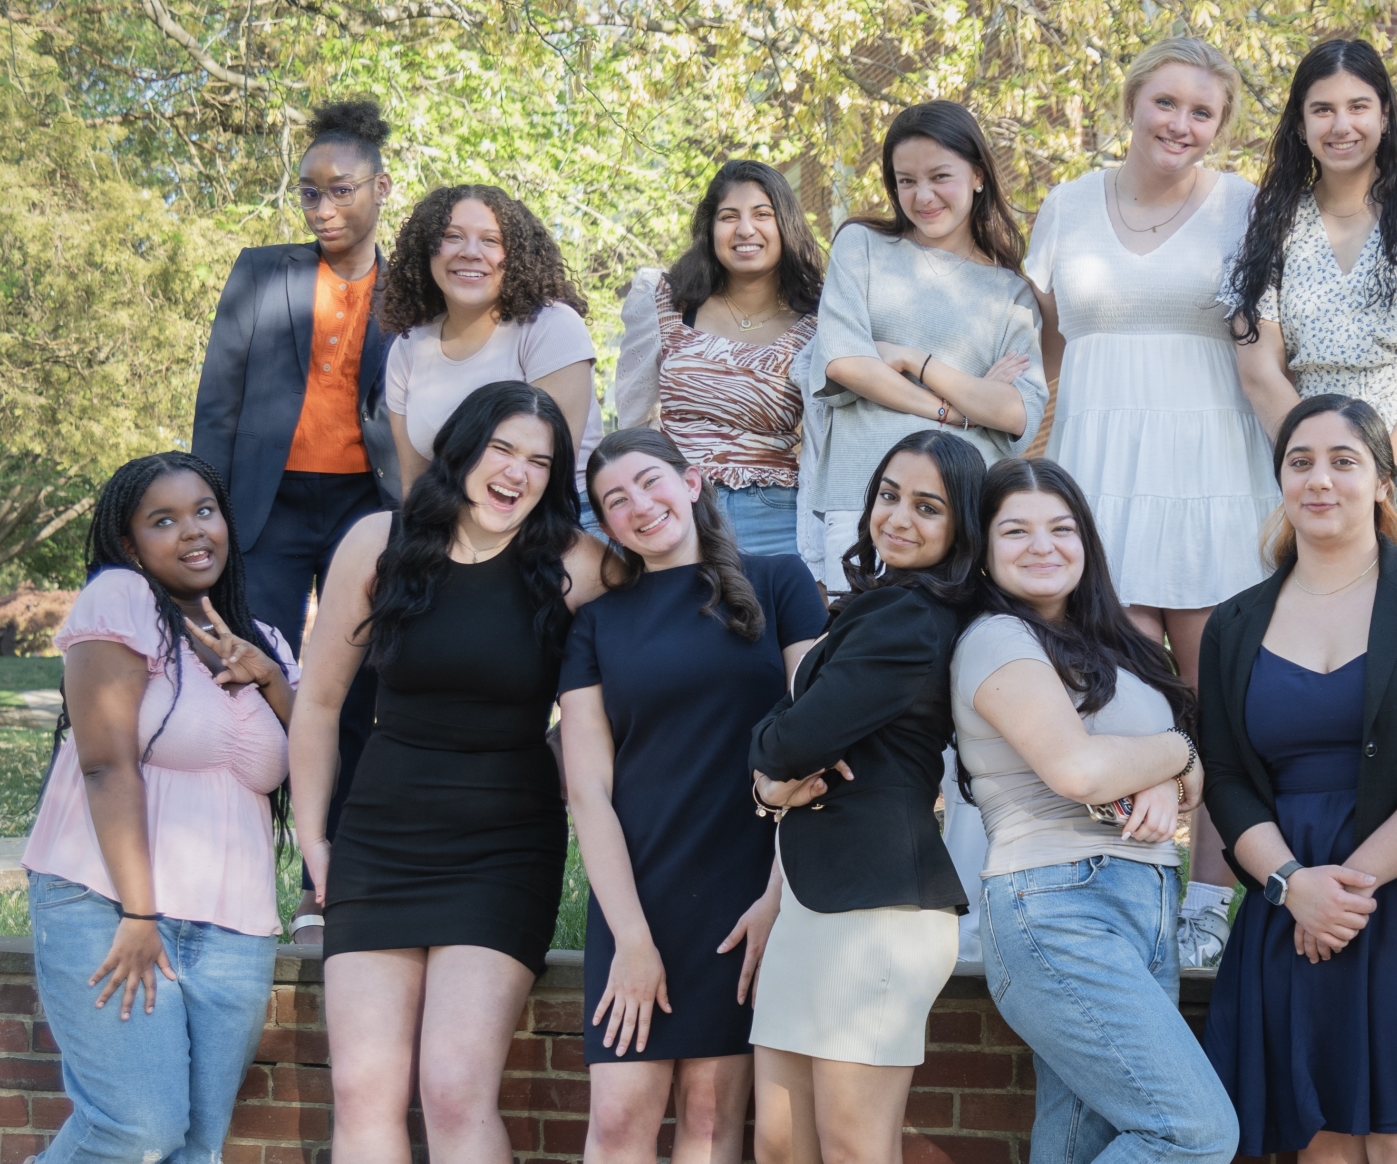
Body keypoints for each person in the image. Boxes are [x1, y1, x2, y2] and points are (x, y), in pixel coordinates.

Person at [1198, 394, 1397, 1162]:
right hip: (1291, 896)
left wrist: (1344, 890)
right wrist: (1293, 887)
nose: (1320, 479)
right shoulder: (1233, 624)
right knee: (1324, 1146)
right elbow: (1227, 777)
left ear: (1383, 481)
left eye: (1343, 461)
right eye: (1300, 462)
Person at [289, 381, 606, 1164]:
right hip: (380, 840)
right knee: (363, 1090)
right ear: (462, 450)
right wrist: (314, 837)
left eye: (539, 461)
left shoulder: (577, 563)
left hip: (504, 848)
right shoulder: (379, 542)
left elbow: (653, 656)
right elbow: (319, 703)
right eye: (502, 449)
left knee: (455, 1088)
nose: (517, 472)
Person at [1023, 37, 1272, 962]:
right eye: (1166, 102)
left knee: (1219, 703)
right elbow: (1039, 355)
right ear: (1131, 103)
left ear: (1221, 126)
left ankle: (1209, 902)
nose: (1181, 124)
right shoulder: (1066, 206)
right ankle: (1128, 889)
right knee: (1114, 700)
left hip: (1214, 477)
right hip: (1101, 478)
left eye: (1203, 111)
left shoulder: (1247, 207)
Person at [954, 456, 1239, 1164]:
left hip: (1141, 900)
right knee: (1194, 1133)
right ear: (983, 549)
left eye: (1061, 528)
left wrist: (1168, 774)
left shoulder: (1118, 646)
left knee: (1086, 1142)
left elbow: (1194, 775)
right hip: (1056, 903)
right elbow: (1077, 769)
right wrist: (1174, 756)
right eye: (1015, 531)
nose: (1042, 546)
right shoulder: (997, 638)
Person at [560, 428, 827, 1163]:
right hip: (635, 892)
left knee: (711, 1122)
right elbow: (588, 791)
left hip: (748, 893)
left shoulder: (780, 582)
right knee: (618, 1121)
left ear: (692, 481)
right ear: (605, 525)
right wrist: (631, 939)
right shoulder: (596, 623)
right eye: (615, 500)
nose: (640, 506)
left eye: (650, 481)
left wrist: (777, 897)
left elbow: (818, 742)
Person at [21, 452, 296, 1164]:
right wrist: (140, 916)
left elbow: (315, 765)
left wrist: (269, 677)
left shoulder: (266, 640)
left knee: (196, 1147)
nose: (193, 531)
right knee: (136, 1130)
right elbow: (104, 763)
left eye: (204, 511)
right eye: (164, 520)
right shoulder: (121, 598)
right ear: (128, 542)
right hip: (111, 905)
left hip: (234, 927)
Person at [190, 99, 398, 943]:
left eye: (340, 189)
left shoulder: (413, 288)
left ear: (381, 188)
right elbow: (217, 406)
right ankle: (236, 871)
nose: (322, 208)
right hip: (266, 510)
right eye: (309, 192)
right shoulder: (261, 273)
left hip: (367, 510)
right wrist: (208, 516)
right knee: (248, 676)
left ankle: (326, 883)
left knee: (353, 691)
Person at [746, 431, 982, 1164]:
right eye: (888, 495)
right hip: (816, 896)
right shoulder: (880, 604)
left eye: (928, 507)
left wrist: (767, 768)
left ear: (962, 527)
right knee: (781, 1146)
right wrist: (771, 781)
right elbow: (795, 734)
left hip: (875, 907)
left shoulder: (911, 617)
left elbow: (791, 740)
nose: (898, 518)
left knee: (854, 1148)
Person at [1225, 38, 1397, 567]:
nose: (1341, 125)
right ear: (1300, 124)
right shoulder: (1272, 223)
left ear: (1384, 115)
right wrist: (1319, 468)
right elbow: (1259, 369)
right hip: (1316, 483)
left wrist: (1381, 474)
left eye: (1358, 106)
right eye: (1322, 110)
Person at [804, 100, 1047, 594]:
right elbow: (846, 364)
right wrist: (958, 410)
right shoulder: (861, 246)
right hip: (867, 498)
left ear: (977, 175)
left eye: (940, 177)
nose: (923, 196)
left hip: (964, 506)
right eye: (906, 181)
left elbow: (1017, 412)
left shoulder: (1011, 292)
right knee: (864, 636)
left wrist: (913, 359)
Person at [614, 161, 827, 556]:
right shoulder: (665, 302)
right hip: (675, 511)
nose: (745, 229)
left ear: (785, 225)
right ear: (710, 229)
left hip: (775, 517)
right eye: (729, 217)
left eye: (762, 214)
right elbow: (632, 423)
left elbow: (823, 441)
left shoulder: (819, 323)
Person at [383, 184, 606, 496]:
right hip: (453, 515)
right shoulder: (409, 346)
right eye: (452, 236)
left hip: (557, 514)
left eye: (491, 240)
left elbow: (544, 480)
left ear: (517, 255)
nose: (470, 252)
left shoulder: (550, 328)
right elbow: (414, 485)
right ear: (425, 247)